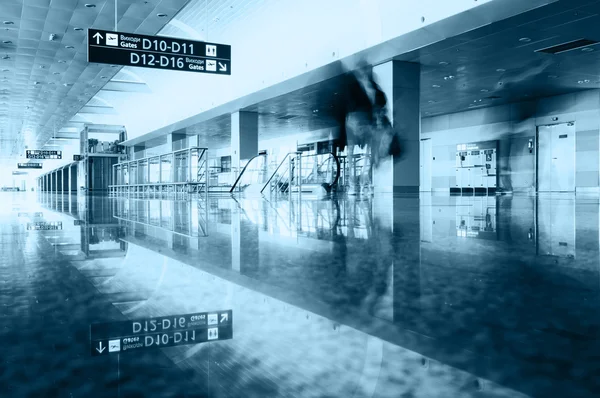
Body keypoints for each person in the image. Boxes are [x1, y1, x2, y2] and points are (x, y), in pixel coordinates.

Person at [332, 60, 400, 194]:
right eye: (363, 70)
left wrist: (380, 117)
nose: (365, 72)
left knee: (370, 152)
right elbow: (344, 105)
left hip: (369, 122)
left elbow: (382, 105)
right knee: (352, 153)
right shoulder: (353, 87)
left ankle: (366, 182)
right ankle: (353, 183)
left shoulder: (375, 89)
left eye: (367, 70)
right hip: (354, 121)